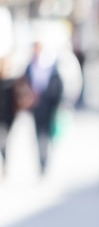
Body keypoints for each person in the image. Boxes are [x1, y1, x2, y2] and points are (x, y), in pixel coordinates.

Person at [24, 42, 64, 175]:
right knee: (39, 133)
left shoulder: (50, 65)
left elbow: (57, 86)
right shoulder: (30, 66)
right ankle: (42, 160)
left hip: (48, 104)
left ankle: (44, 159)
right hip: (35, 105)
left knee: (45, 133)